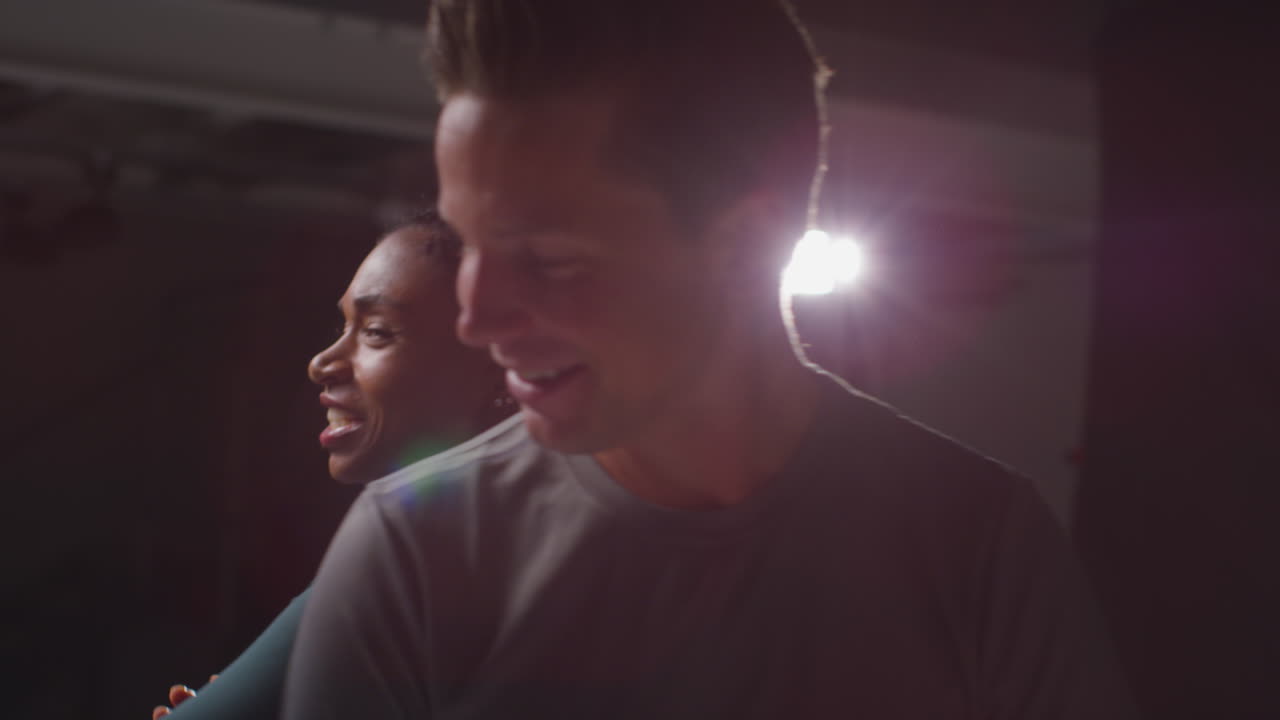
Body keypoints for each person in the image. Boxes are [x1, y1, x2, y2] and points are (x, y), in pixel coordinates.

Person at [284, 2, 1140, 718]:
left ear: (744, 244)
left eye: (547, 260)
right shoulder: (413, 555)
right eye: (471, 245)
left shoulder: (980, 546)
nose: (477, 319)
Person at [152, 211, 510, 720]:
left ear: (503, 364)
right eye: (344, 326)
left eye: (377, 331)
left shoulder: (406, 561)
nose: (320, 363)